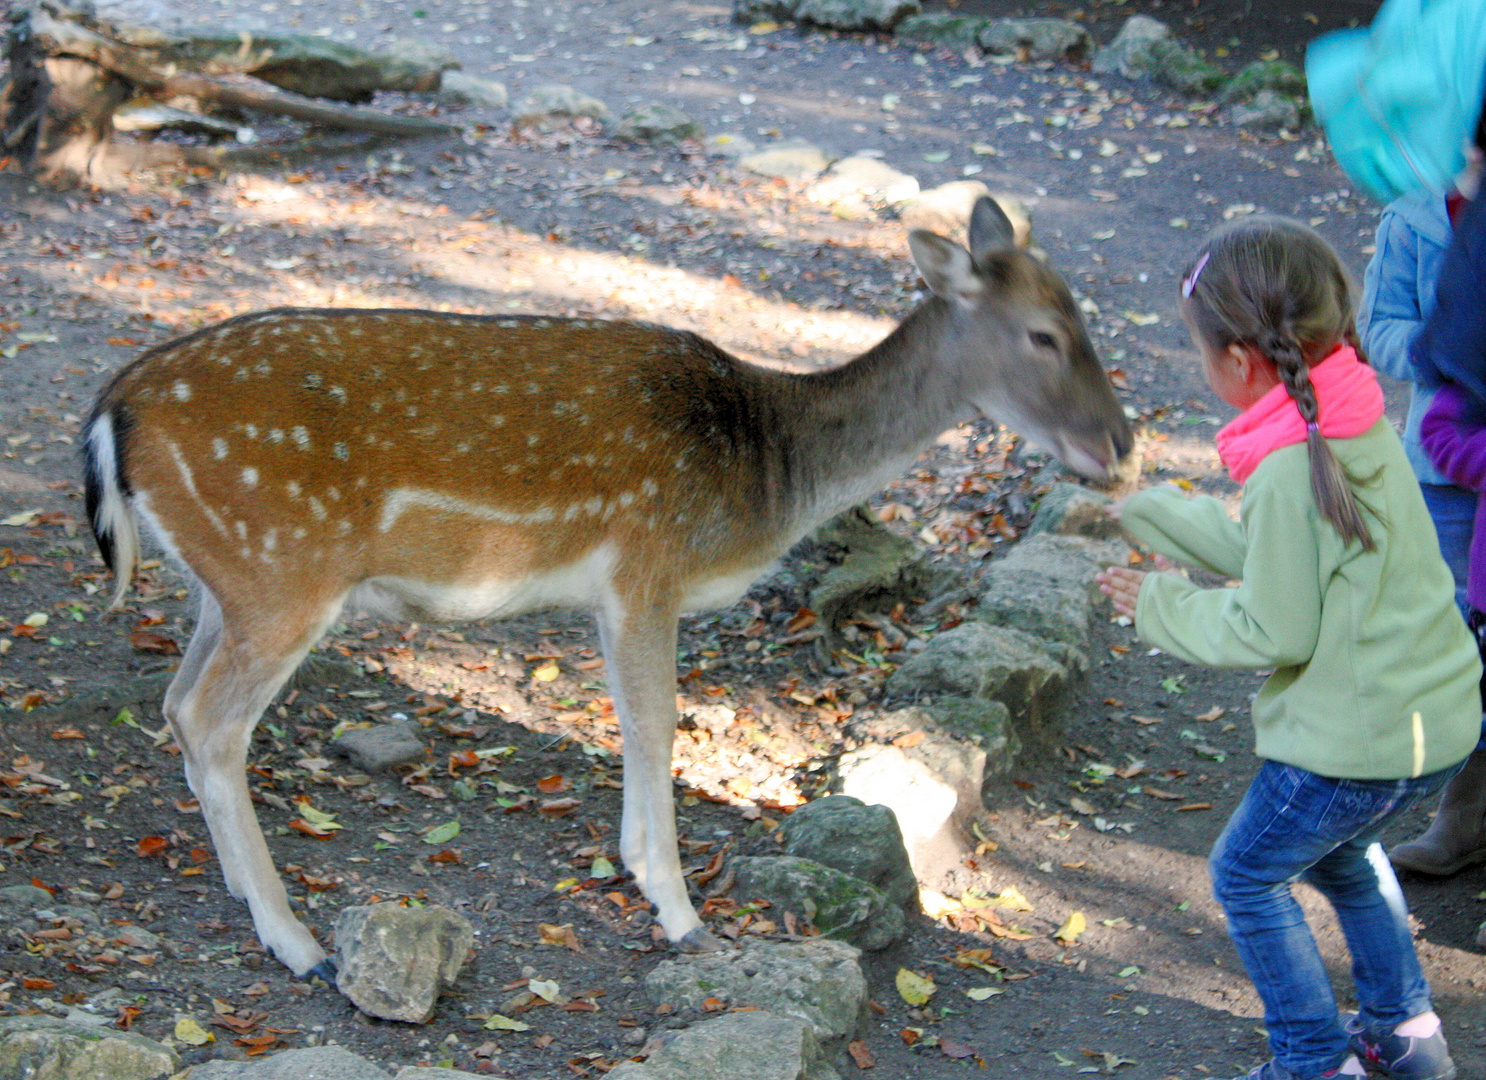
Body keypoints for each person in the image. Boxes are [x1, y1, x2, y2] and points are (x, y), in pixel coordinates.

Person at [1096, 217, 1480, 1080]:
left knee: (1245, 876)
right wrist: (1160, 514)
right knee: (1344, 852)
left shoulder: (1284, 469)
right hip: (1432, 722)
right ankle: (1406, 1036)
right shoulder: (1357, 425)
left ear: (1238, 361)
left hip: (1353, 741)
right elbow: (1295, 562)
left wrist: (1160, 604)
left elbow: (1274, 626)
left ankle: (1313, 1059)